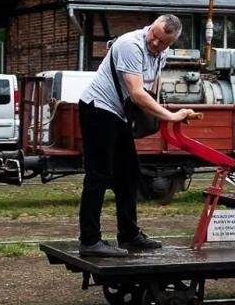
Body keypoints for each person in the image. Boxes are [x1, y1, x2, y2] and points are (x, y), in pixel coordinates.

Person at [77, 16, 198, 257]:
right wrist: (170, 116)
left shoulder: (161, 54)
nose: (154, 42)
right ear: (151, 27)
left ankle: (129, 235)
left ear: (170, 44)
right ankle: (90, 241)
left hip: (118, 114)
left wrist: (161, 112)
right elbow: (136, 93)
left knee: (129, 173)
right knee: (98, 175)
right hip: (98, 109)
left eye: (162, 42)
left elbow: (152, 87)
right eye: (153, 35)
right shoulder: (130, 45)